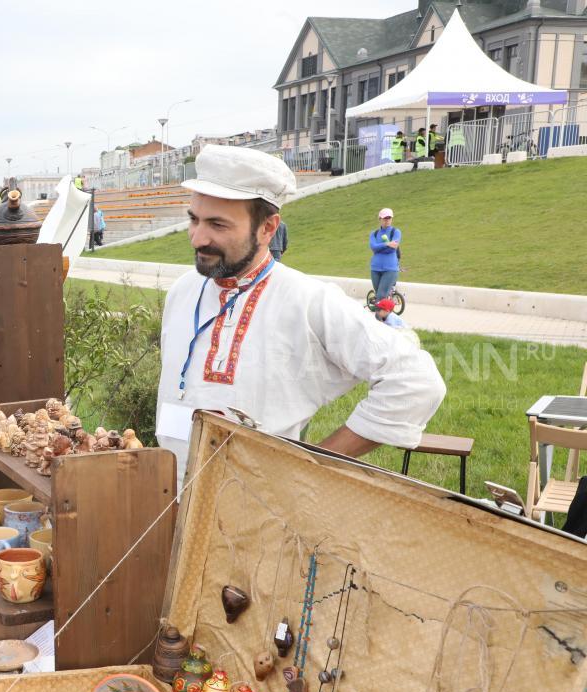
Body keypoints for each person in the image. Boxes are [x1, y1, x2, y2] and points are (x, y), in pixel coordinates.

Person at [155, 145, 444, 483]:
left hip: (261, 507)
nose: (198, 238)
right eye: (194, 219)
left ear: (267, 229)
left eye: (218, 225)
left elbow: (415, 381)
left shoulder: (307, 300)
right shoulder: (183, 291)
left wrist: (313, 464)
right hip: (169, 496)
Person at [369, 208, 401, 302]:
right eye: (384, 218)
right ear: (380, 219)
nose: (387, 220)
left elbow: (392, 248)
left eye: (389, 218)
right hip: (375, 268)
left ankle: (381, 316)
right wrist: (386, 244)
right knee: (378, 294)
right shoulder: (374, 234)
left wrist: (379, 248)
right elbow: (373, 247)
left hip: (390, 269)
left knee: (381, 296)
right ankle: (384, 313)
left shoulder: (395, 232)